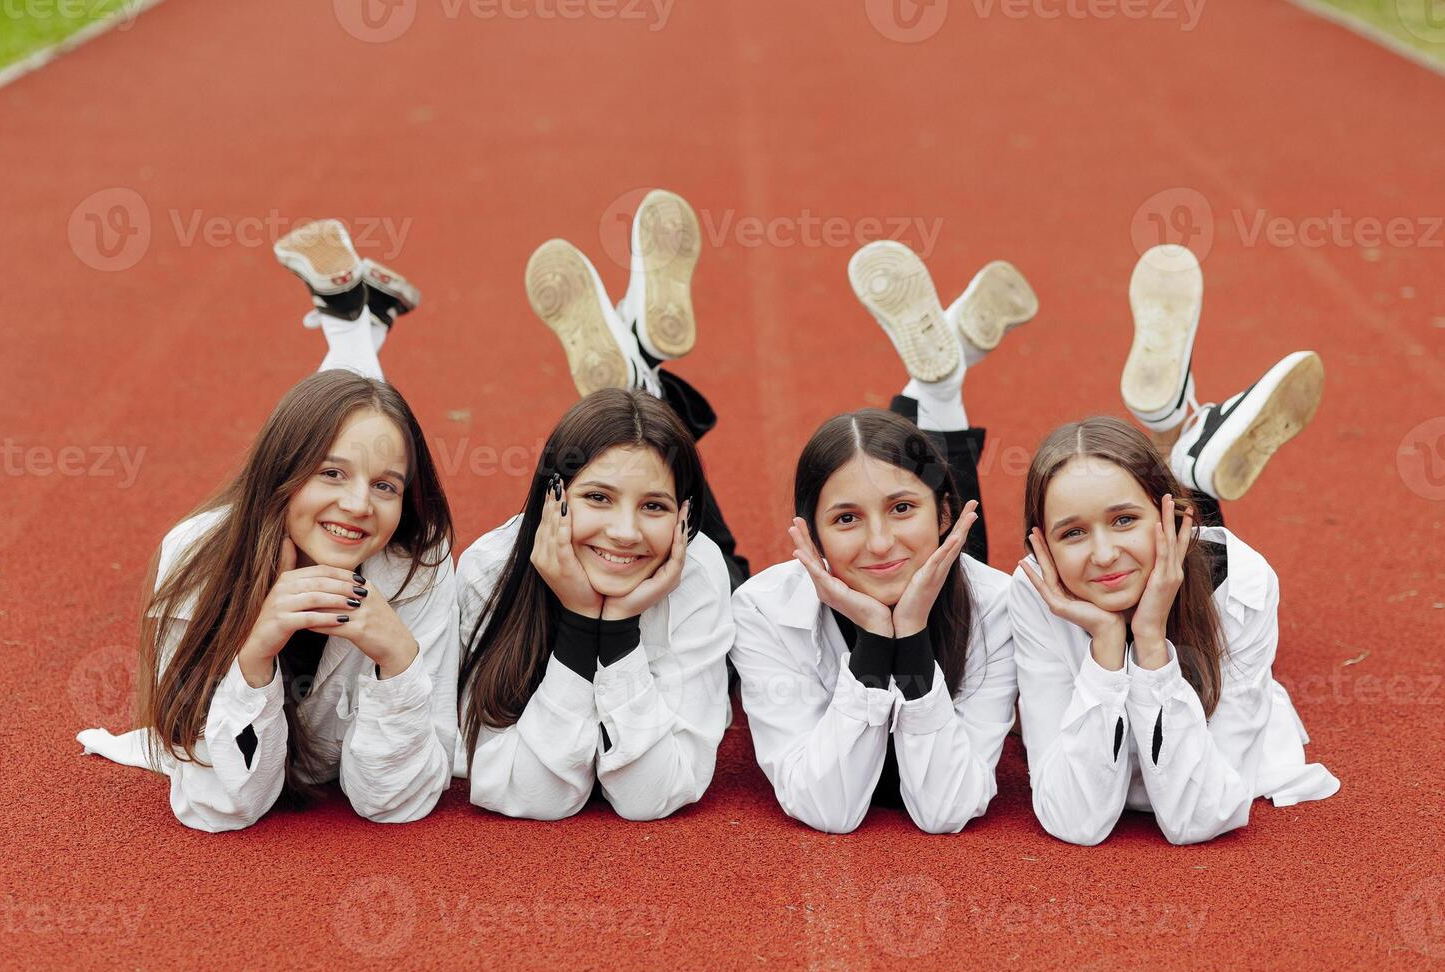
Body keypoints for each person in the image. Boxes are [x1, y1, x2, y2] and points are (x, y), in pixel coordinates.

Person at [76, 220, 460, 833]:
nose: (362, 505)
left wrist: (399, 658)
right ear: (280, 474)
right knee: (352, 429)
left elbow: (393, 801)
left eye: (388, 487)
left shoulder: (417, 566)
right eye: (329, 474)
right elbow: (221, 806)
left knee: (357, 429)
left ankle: (357, 319)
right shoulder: (198, 556)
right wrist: (255, 653)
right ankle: (359, 320)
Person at [1011, 244, 1340, 846]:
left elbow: (1204, 816)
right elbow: (1075, 821)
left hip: (1198, 567)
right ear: (1041, 546)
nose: (1103, 554)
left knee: (1194, 555)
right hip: (1175, 536)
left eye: (1122, 521)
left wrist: (1152, 642)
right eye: (1072, 533)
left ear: (1163, 517)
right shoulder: (1034, 588)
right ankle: (1182, 435)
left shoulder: (1242, 584)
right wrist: (1111, 644)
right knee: (1167, 537)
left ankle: (1178, 442)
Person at [730, 240, 1037, 833]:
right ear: (808, 533)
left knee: (958, 569)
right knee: (713, 558)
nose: (877, 543)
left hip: (959, 569)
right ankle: (942, 390)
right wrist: (876, 639)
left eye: (901, 508)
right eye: (845, 518)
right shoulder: (763, 609)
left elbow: (946, 811)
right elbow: (827, 810)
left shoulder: (1000, 605)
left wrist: (915, 639)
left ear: (942, 514)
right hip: (905, 566)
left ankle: (940, 394)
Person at [455, 191, 734, 821]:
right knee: (653, 471)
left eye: (656, 508)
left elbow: (652, 798)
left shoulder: (702, 572)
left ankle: (639, 381)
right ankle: (641, 376)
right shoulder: (486, 571)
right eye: (596, 497)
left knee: (720, 554)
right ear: (554, 494)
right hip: (638, 553)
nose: (624, 530)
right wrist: (585, 624)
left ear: (684, 517)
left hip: (690, 565)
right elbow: (530, 798)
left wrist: (617, 630)